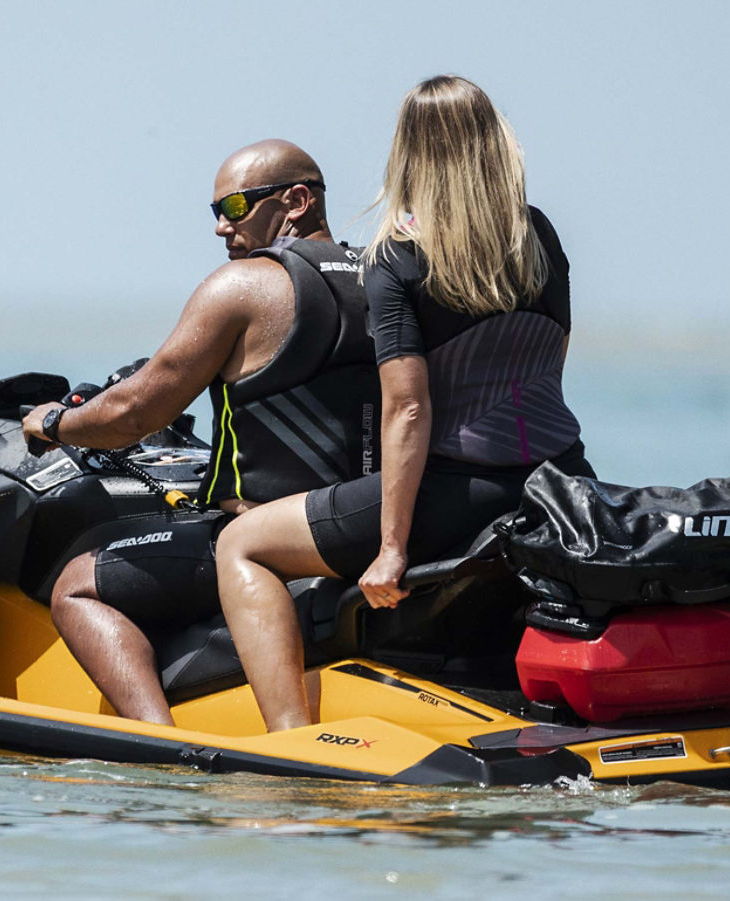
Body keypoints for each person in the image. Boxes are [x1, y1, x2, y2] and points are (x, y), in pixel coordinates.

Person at [214, 75, 596, 732]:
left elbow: (409, 410)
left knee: (242, 545)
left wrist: (392, 546)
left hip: (457, 494)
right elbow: (545, 370)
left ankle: (290, 742)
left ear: (411, 153)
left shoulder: (398, 255)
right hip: (562, 483)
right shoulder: (539, 238)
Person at [20, 140, 379, 726]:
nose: (220, 227)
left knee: (77, 586)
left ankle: (156, 747)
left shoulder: (244, 286)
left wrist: (57, 423)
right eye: (214, 210)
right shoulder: (383, 278)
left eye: (235, 206)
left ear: (296, 200)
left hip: (263, 538)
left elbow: (136, 414)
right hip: (358, 527)